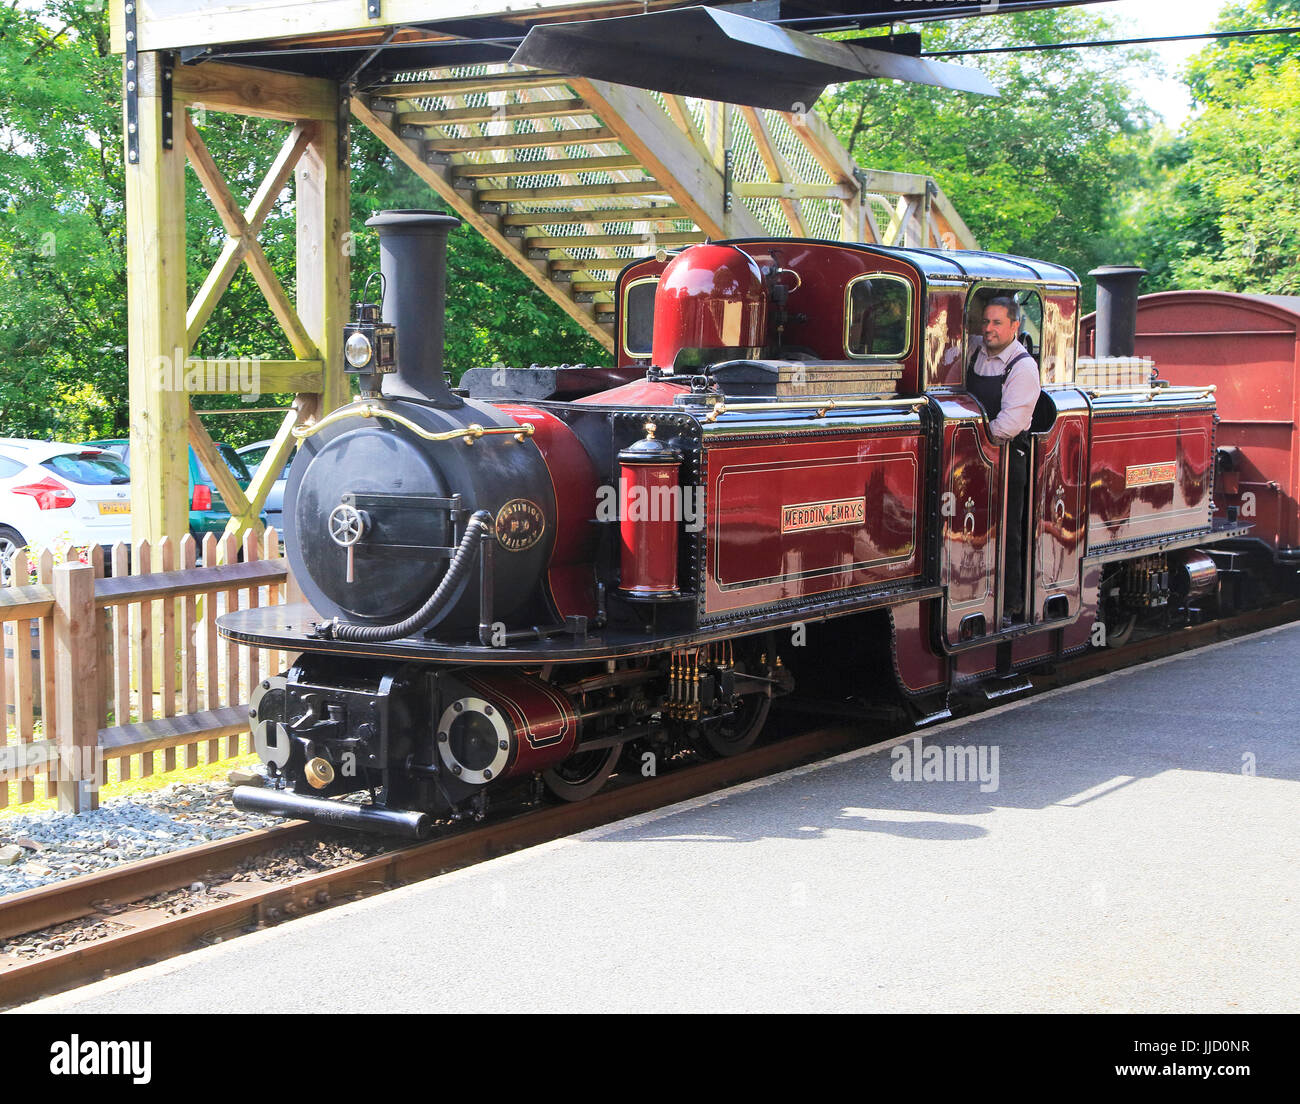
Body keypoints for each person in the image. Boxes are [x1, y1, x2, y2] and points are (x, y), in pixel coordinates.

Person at [966, 297, 1040, 623]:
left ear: (1014, 326)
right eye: (985, 322)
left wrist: (975, 440)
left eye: (996, 323)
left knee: (1007, 532)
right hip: (974, 459)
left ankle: (1009, 605)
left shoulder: (1023, 367)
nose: (988, 329)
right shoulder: (976, 353)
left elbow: (1009, 424)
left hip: (1008, 458)